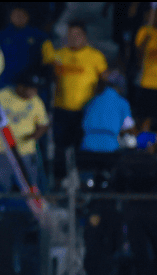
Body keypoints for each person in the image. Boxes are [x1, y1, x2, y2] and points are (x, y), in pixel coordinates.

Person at [46, 21, 107, 180]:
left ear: (85, 36)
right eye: (70, 35)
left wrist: (95, 102)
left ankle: (83, 180)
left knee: (82, 146)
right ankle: (60, 180)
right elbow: (51, 77)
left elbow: (104, 81)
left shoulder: (95, 56)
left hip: (85, 111)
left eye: (77, 35)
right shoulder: (59, 55)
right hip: (61, 109)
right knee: (61, 146)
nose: (74, 38)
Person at [0, 72, 49, 190]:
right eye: (32, 88)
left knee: (29, 187)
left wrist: (35, 135)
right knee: (2, 186)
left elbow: (43, 125)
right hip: (2, 151)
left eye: (36, 89)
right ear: (21, 86)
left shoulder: (36, 102)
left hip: (26, 152)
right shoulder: (2, 96)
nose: (34, 92)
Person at [0, 6, 51, 89]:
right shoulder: (0, 36)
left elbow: (47, 61)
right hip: (3, 83)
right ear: (11, 15)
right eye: (16, 14)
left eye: (22, 14)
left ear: (27, 16)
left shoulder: (39, 37)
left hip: (27, 85)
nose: (19, 17)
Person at [79, 76, 135, 154]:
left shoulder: (92, 100)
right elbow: (129, 127)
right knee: (131, 142)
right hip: (109, 148)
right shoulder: (122, 103)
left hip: (87, 146)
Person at [134, 10, 157, 131]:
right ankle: (143, 146)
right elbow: (138, 55)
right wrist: (147, 39)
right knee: (144, 118)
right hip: (146, 82)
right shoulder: (144, 31)